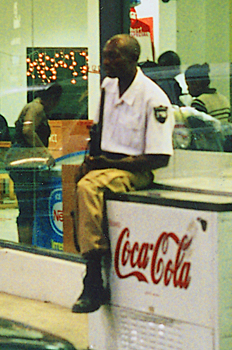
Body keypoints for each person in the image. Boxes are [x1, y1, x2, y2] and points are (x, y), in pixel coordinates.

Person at [71, 34, 174, 314]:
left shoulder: (154, 99)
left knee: (89, 188)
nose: (106, 62)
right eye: (105, 55)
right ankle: (89, 260)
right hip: (106, 166)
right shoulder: (108, 87)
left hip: (136, 170)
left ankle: (93, 278)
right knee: (81, 182)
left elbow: (159, 158)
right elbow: (98, 132)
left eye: (113, 56)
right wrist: (89, 161)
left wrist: (109, 163)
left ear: (132, 59)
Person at [7, 83, 62, 245]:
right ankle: (26, 247)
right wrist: (45, 153)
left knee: (28, 209)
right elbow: (27, 131)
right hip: (24, 163)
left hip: (23, 161)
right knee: (27, 210)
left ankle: (29, 245)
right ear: (52, 98)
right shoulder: (36, 108)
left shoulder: (34, 106)